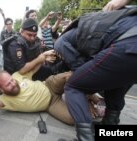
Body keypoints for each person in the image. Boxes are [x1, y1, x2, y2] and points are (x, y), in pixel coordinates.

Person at [52, 7, 137, 140]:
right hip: (129, 43)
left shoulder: (62, 39)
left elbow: (79, 67)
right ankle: (109, 126)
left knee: (73, 86)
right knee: (117, 81)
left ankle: (86, 138)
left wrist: (86, 91)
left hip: (126, 44)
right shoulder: (91, 25)